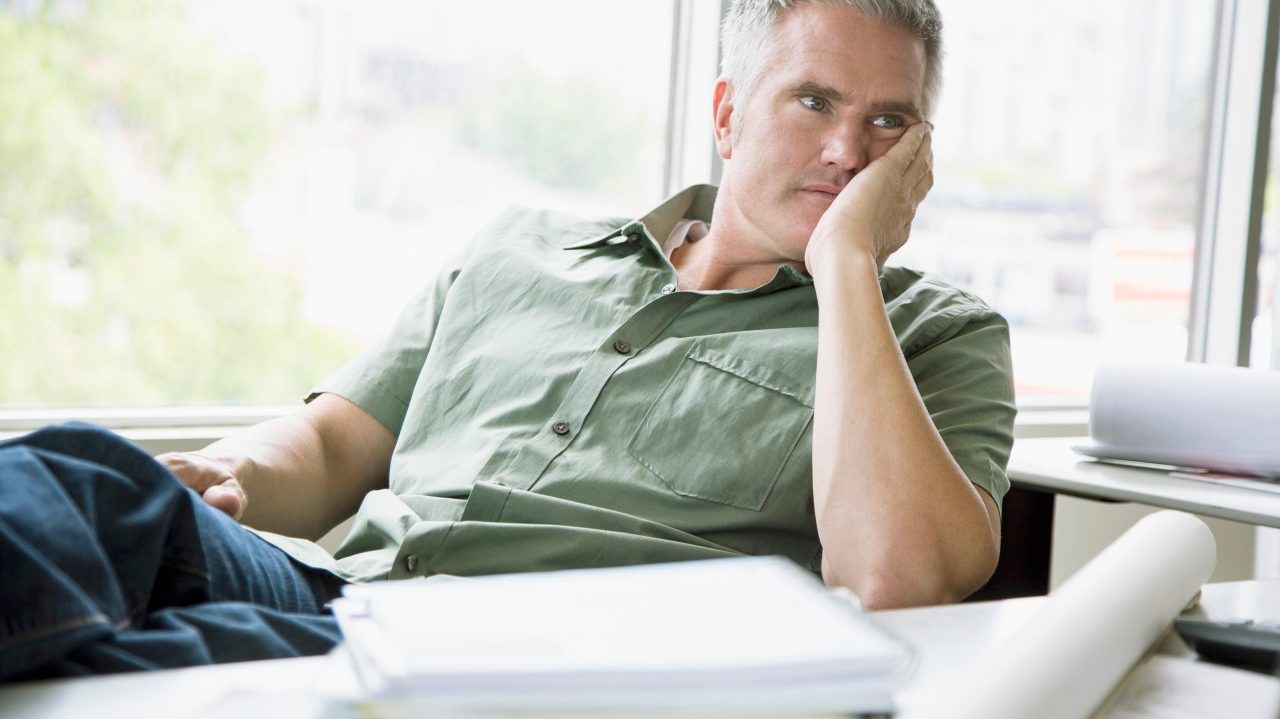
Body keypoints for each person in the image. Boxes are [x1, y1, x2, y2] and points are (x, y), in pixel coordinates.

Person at [0, 0, 1015, 681]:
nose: (847, 150)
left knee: (156, 653)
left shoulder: (936, 337)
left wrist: (845, 265)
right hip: (349, 599)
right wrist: (222, 470)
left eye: (889, 123)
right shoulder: (519, 250)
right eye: (813, 102)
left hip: (559, 664)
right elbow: (335, 445)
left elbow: (893, 577)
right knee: (85, 471)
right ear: (724, 114)